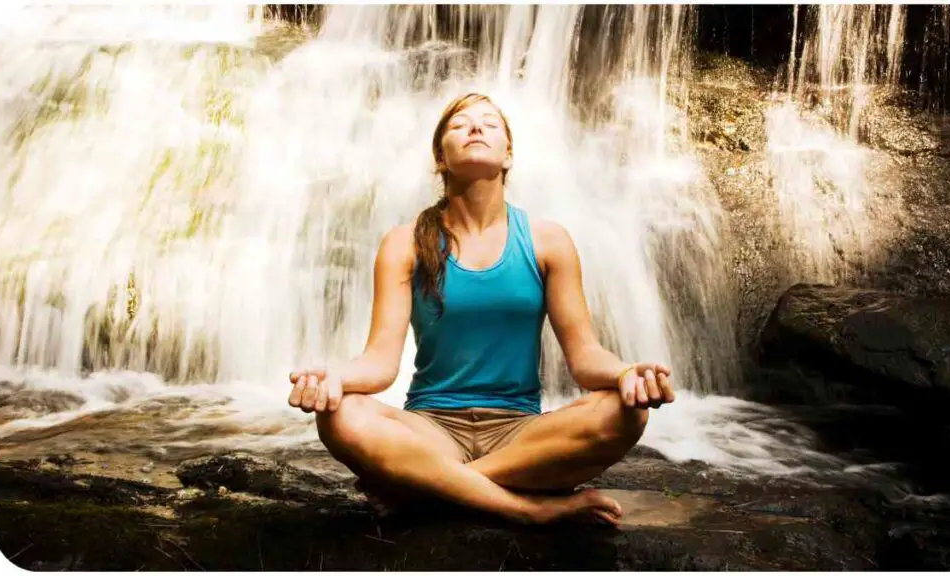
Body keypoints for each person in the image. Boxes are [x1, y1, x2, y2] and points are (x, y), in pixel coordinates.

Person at [288, 93, 675, 526]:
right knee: (339, 415)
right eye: (460, 125)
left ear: (508, 154)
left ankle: (430, 488)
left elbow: (585, 358)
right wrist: (332, 379)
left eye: (490, 124)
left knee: (628, 411)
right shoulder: (404, 242)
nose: (475, 129)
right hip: (430, 431)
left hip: (521, 435)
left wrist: (628, 375)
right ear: (440, 157)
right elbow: (379, 363)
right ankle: (528, 509)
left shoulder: (548, 241)